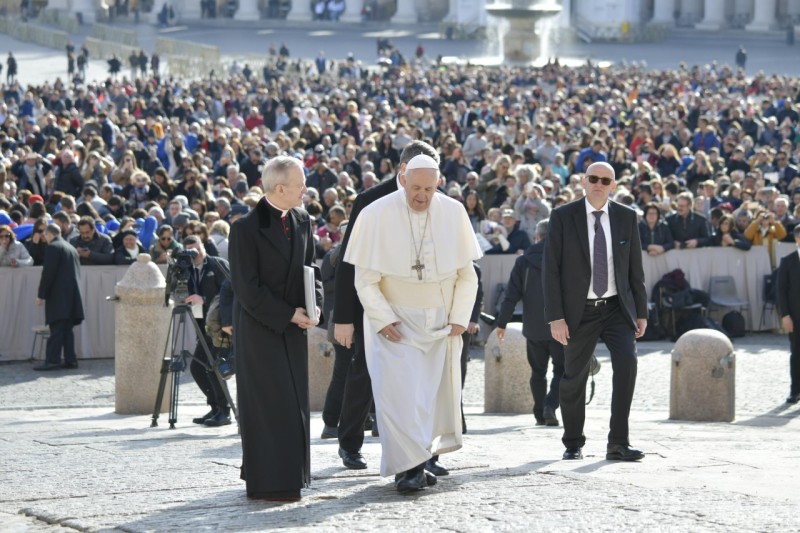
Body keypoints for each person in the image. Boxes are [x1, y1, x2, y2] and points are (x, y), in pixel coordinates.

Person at [343, 153, 482, 493]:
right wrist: (382, 318)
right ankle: (409, 469)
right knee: (399, 397)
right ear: (403, 179)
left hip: (440, 322)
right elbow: (365, 279)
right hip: (396, 322)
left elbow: (468, 275)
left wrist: (459, 318)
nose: (422, 196)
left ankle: (420, 462)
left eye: (429, 190)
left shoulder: (454, 212)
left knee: (429, 398)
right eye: (415, 188)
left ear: (439, 185)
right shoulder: (375, 213)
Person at [333, 141, 445, 475]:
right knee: (363, 374)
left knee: (423, 382)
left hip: (423, 306)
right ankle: (350, 443)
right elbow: (349, 261)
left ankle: (424, 454)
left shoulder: (437, 200)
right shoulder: (370, 200)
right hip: (374, 304)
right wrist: (344, 318)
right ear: (403, 170)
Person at [229, 156, 322, 501]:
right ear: (280, 188)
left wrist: (315, 305)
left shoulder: (303, 219)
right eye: (300, 184)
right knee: (268, 405)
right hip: (261, 329)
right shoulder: (245, 228)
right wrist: (288, 314)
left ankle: (294, 476)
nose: (305, 189)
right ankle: (267, 482)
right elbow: (247, 288)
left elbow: (311, 269)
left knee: (294, 403)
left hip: (294, 327)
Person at [543, 162, 648, 462]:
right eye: (593, 179)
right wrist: (555, 317)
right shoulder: (563, 216)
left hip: (616, 308)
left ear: (613, 185)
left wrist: (641, 312)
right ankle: (573, 442)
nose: (599, 184)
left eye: (605, 180)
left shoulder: (627, 217)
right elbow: (550, 270)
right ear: (583, 182)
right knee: (573, 377)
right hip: (579, 312)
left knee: (627, 365)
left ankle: (618, 443)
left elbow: (635, 269)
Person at [496, 219, 564, 427]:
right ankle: (550, 405)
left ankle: (539, 413)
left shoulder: (523, 261)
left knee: (538, 372)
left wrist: (502, 323)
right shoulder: (564, 258)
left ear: (537, 236)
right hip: (561, 325)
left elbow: (511, 295)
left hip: (533, 326)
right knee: (563, 370)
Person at [182, 235, 233, 427]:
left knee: (214, 367)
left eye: (197, 249)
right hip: (203, 326)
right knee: (197, 368)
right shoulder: (188, 270)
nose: (195, 254)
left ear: (203, 247)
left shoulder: (217, 264)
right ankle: (215, 407)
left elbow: (229, 292)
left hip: (220, 327)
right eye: (191, 251)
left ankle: (224, 411)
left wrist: (203, 299)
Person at [34, 224, 84, 371]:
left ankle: (52, 360)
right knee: (67, 330)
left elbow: (48, 273)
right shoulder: (71, 248)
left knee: (56, 329)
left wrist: (41, 295)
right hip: (72, 296)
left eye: (45, 235)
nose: (44, 239)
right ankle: (70, 360)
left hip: (58, 296)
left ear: (49, 234)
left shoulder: (53, 248)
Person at [778, 225, 800, 404]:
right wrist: (785, 316)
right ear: (797, 239)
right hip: (796, 316)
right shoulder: (787, 261)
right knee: (797, 354)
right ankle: (795, 390)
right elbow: (781, 291)